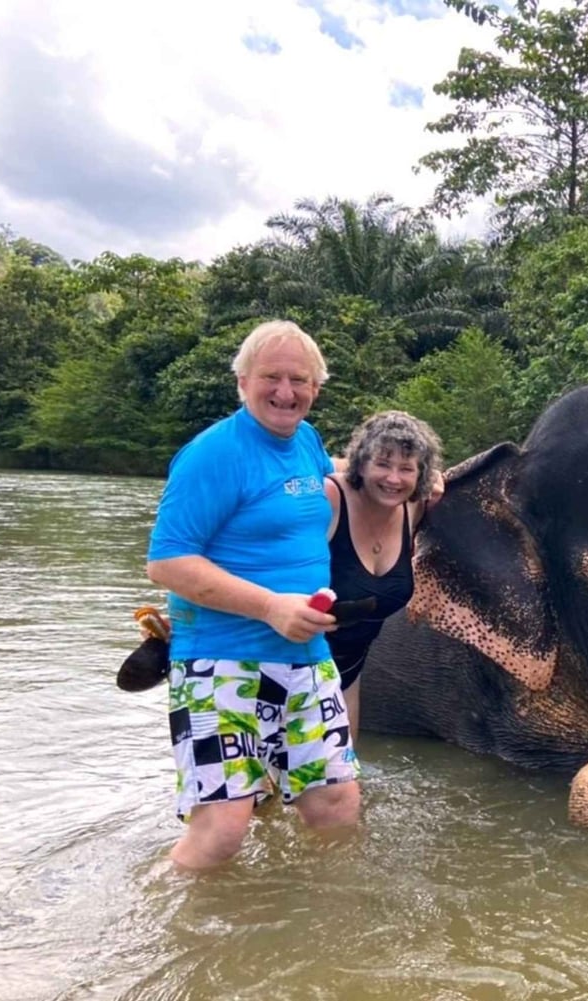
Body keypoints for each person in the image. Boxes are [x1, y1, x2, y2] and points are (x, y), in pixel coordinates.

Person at [147, 319, 358, 870]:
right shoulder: (212, 454)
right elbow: (166, 562)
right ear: (242, 381)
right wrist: (270, 606)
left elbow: (322, 477)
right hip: (220, 662)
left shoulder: (305, 440)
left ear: (316, 388)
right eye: (271, 377)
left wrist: (412, 474)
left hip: (308, 661)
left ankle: (322, 934)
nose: (285, 392)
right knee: (222, 828)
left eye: (300, 380)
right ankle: (180, 937)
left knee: (337, 806)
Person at [323, 411, 442, 745]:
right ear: (360, 463)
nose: (393, 478)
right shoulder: (329, 498)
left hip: (347, 677)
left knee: (343, 792)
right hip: (287, 666)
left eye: (406, 468)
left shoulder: (414, 508)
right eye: (382, 464)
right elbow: (285, 473)